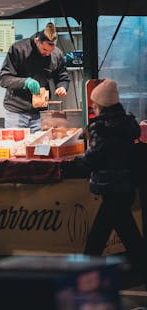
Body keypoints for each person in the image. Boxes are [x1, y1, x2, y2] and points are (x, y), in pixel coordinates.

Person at [71, 79, 147, 287]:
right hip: (127, 185)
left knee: (101, 235)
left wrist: (72, 166)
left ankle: (84, 274)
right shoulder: (127, 123)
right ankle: (140, 269)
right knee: (125, 231)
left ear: (100, 104)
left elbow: (93, 157)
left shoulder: (101, 128)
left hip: (111, 186)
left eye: (94, 103)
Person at [0, 22, 70, 132]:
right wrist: (25, 82)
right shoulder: (18, 49)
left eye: (50, 51)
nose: (47, 54)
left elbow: (62, 77)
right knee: (17, 147)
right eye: (44, 50)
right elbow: (4, 79)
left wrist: (62, 87)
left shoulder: (56, 54)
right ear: (37, 41)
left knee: (40, 147)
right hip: (16, 112)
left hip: (40, 113)